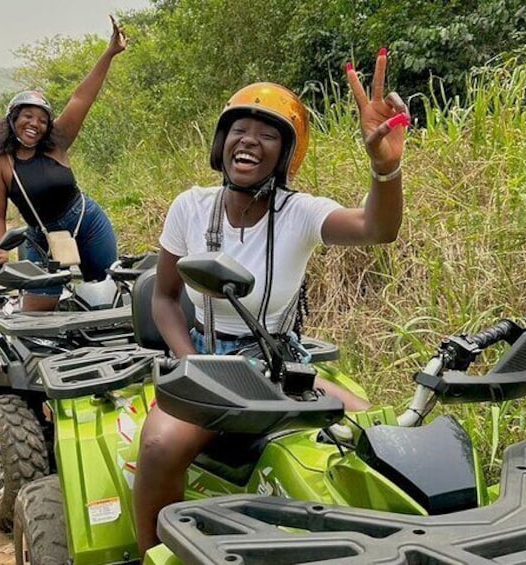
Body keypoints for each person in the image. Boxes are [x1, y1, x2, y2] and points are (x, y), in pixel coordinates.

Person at [133, 49, 408, 555]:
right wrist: (191, 364)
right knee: (159, 445)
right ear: (222, 142)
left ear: (285, 154)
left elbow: (377, 229)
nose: (250, 141)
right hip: (206, 357)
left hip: (278, 359)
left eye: (268, 134)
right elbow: (166, 297)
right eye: (240, 129)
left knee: (379, 433)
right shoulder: (190, 207)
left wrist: (384, 169)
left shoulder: (301, 212)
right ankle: (153, 548)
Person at [0, 16, 125, 311]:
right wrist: (1, 252)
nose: (35, 124)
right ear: (13, 119)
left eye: (42, 119)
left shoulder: (57, 141)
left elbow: (82, 98)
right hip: (40, 238)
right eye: (27, 116)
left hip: (87, 222)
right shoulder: (0, 164)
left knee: (109, 297)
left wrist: (109, 52)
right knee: (37, 314)